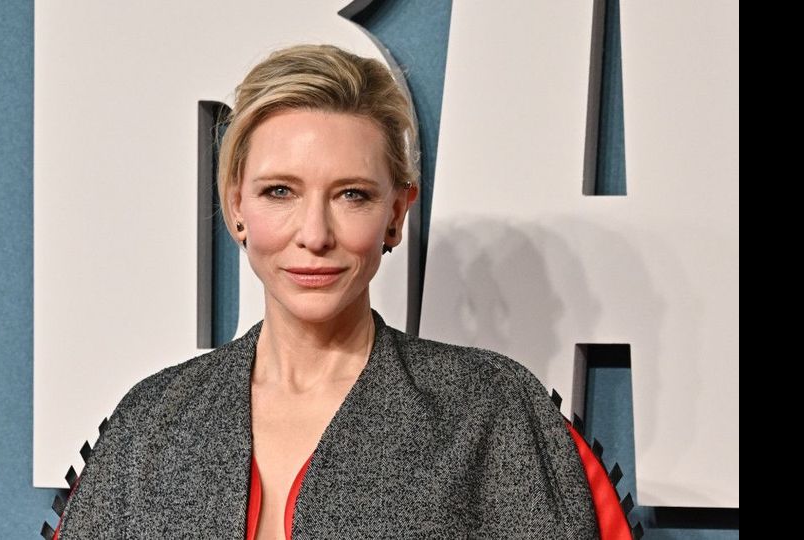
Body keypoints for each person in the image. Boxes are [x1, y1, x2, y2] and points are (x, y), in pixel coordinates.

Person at [54, 43, 602, 539]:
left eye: (352, 195)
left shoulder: (490, 408)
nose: (314, 235)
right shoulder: (151, 420)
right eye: (279, 191)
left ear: (396, 213)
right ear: (237, 205)